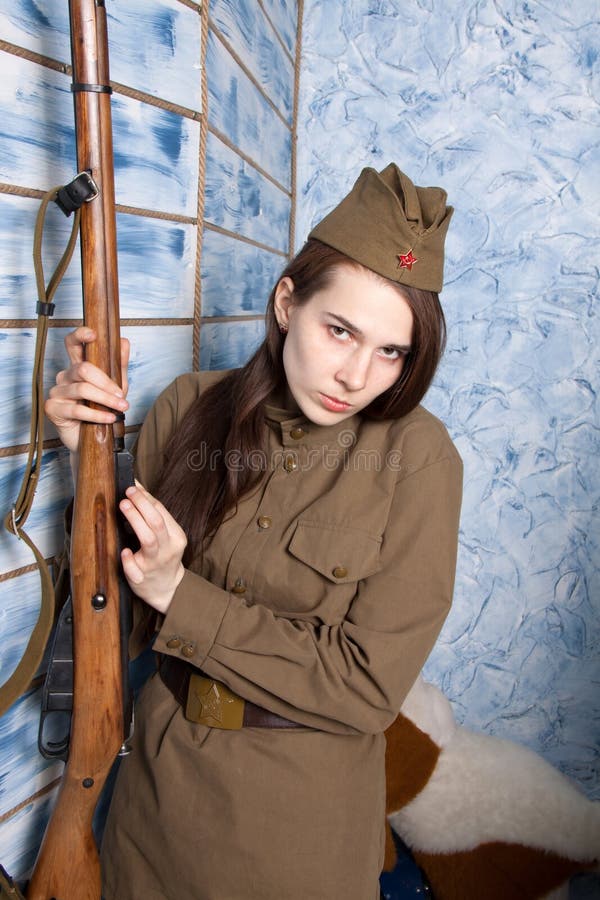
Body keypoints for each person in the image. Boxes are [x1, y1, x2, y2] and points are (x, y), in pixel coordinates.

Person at [46, 163, 462, 900]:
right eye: (340, 331)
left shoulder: (419, 459)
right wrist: (84, 458)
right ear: (286, 304)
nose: (357, 374)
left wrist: (187, 597)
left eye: (391, 351)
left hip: (301, 830)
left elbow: (365, 686)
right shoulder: (187, 409)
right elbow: (118, 612)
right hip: (155, 807)